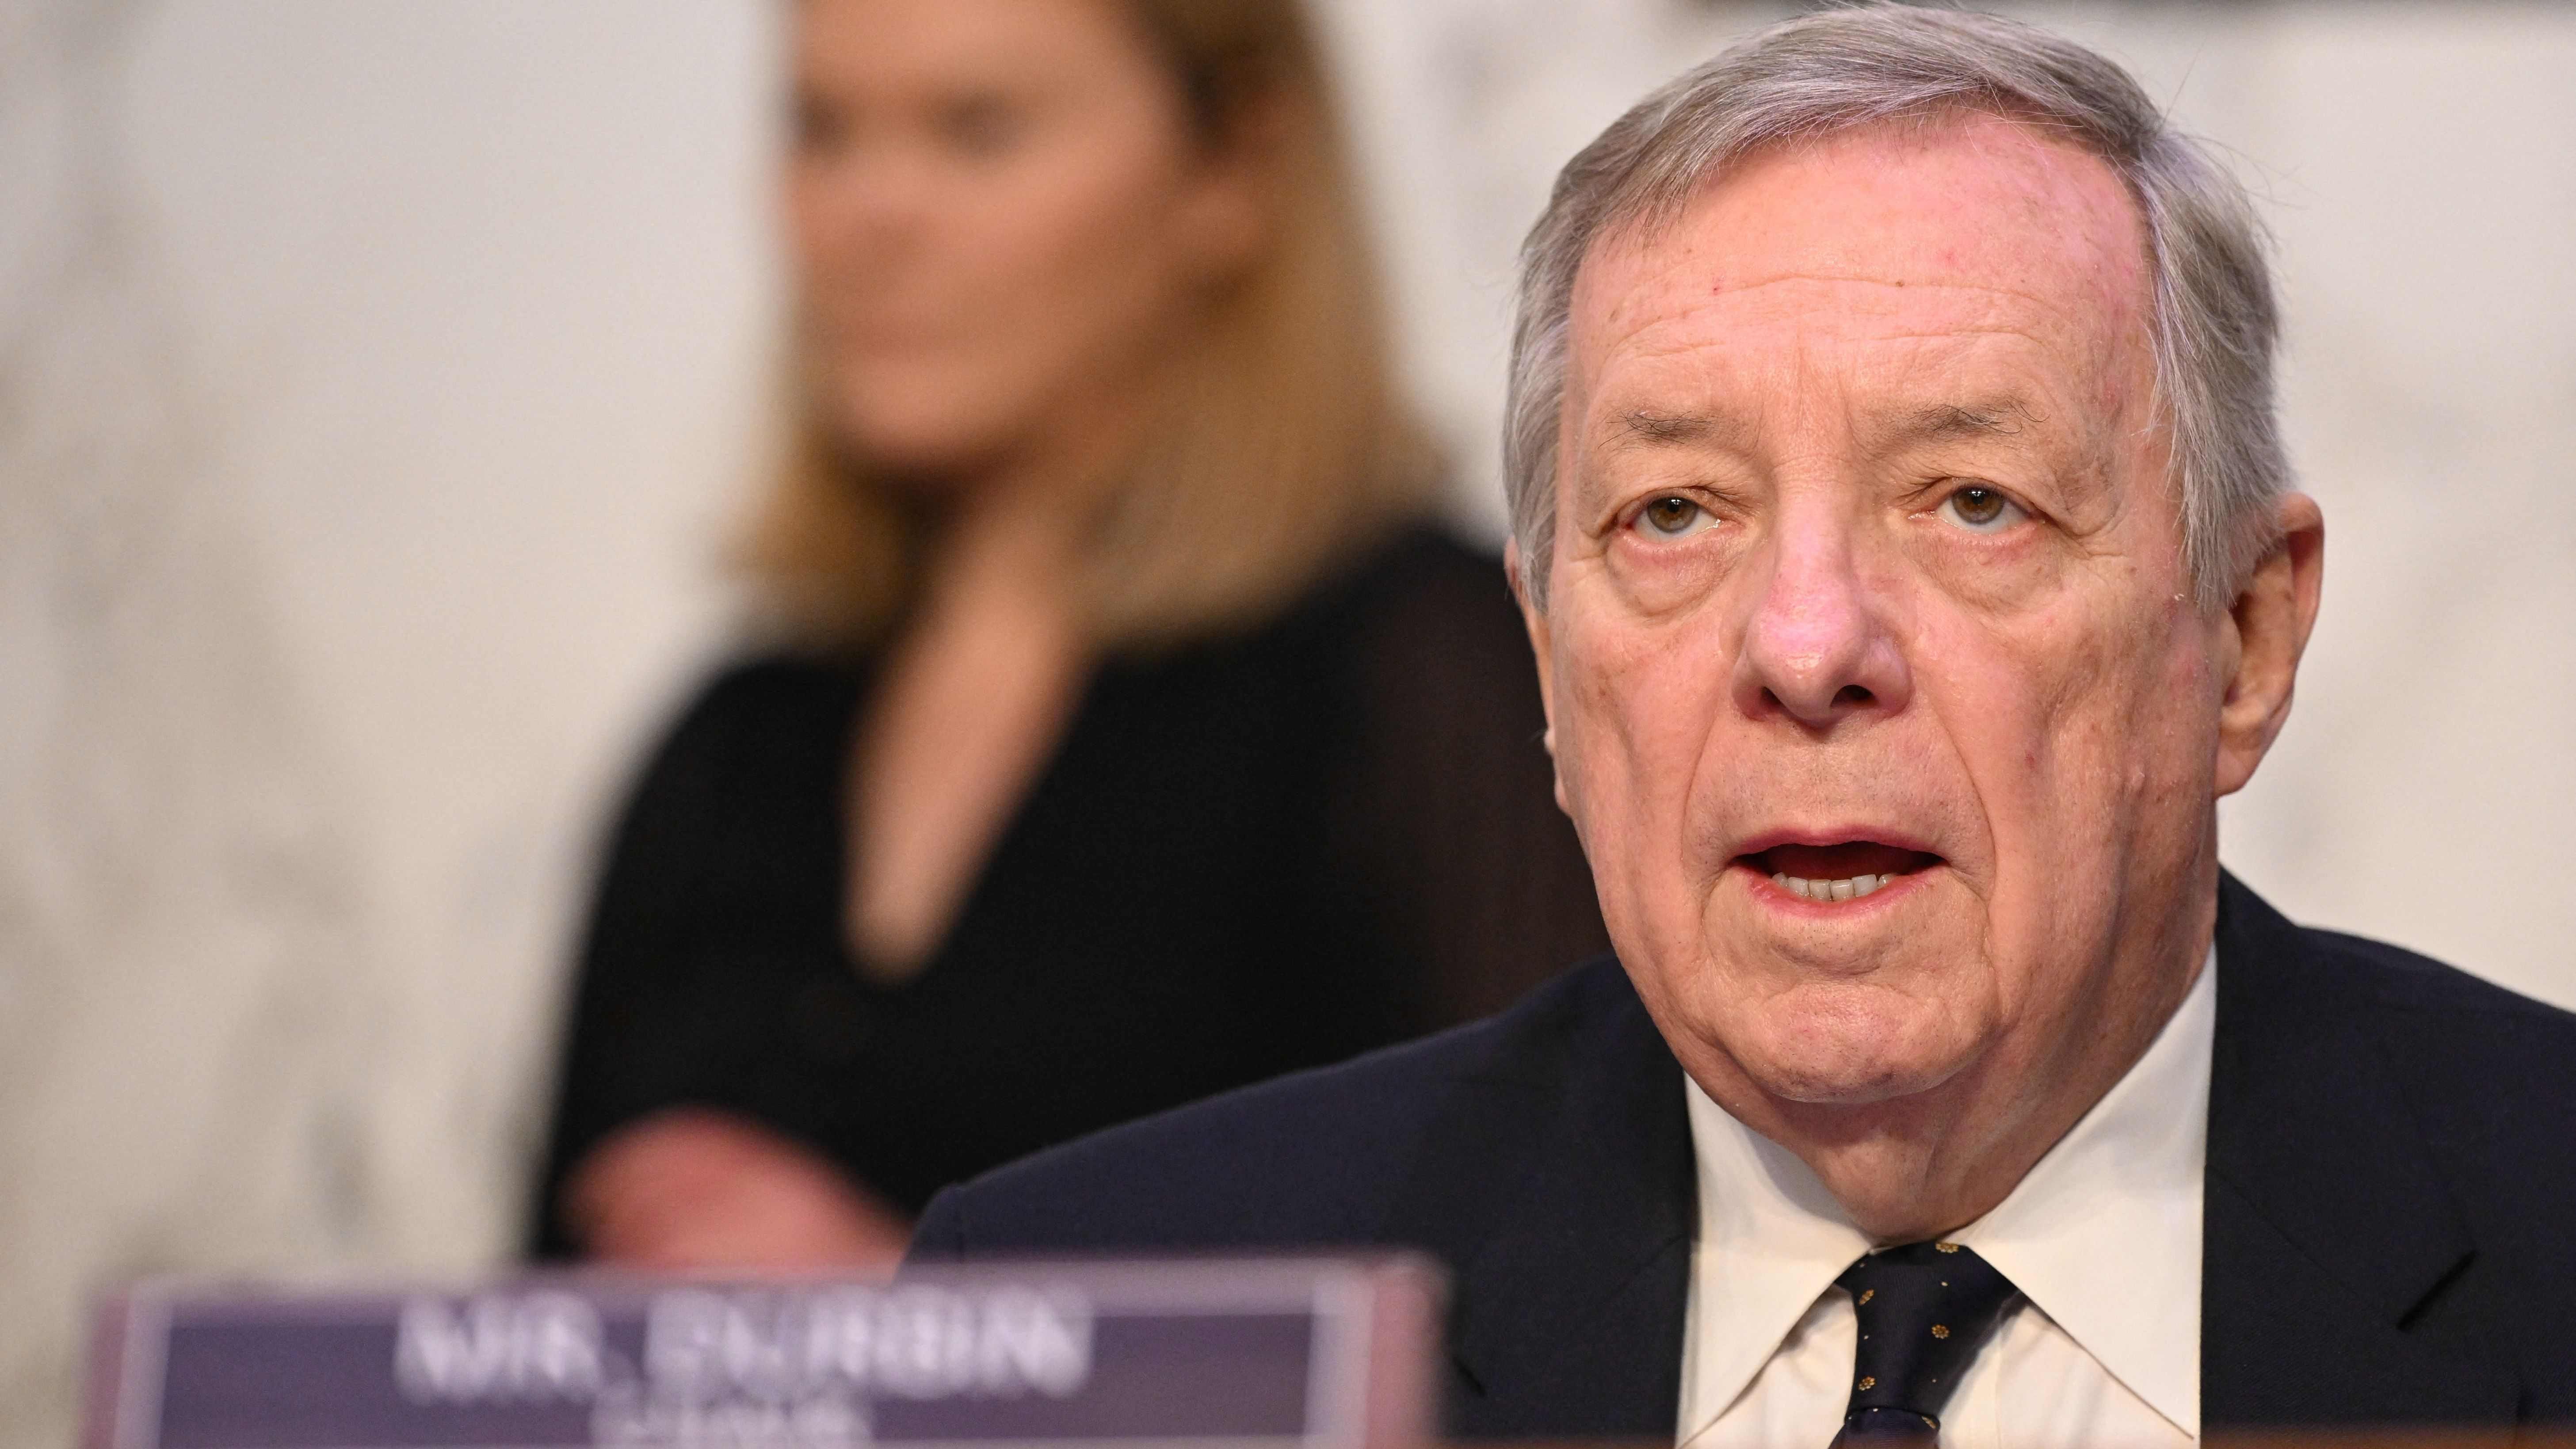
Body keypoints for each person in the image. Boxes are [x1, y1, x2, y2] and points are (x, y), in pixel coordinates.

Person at [908, 5, 2576, 1439]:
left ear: (2242, 635)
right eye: (1674, 515)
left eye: (1973, 503)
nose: (1802, 646)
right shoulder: (1130, 1328)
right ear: (1552, 672)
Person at [529, 0, 1606, 1272]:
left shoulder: (1420, 674)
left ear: (1232, 169)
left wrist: (920, 1336)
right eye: (823, 130)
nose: (868, 215)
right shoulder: (729, 744)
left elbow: (1555, 1313)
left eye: (975, 131)